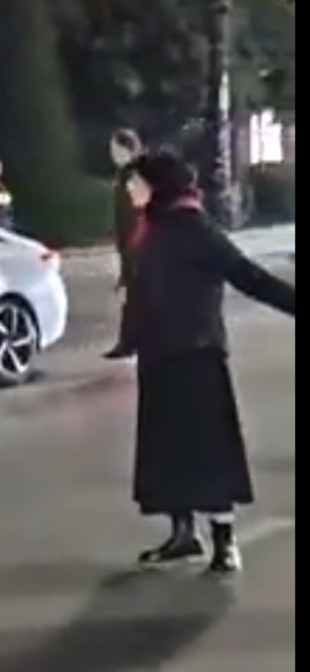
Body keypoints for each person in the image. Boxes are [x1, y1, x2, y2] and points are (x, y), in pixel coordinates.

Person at [121, 151, 295, 574]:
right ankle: (183, 534)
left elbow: (248, 276)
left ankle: (224, 539)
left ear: (157, 184)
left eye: (136, 181)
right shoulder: (152, 228)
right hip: (159, 355)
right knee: (166, 451)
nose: (129, 190)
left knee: (208, 450)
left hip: (197, 354)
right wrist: (131, 338)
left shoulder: (195, 228)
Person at [105, 128, 145, 359]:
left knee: (139, 297)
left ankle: (129, 342)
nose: (113, 154)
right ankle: (130, 342)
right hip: (129, 243)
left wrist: (135, 245)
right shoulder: (124, 175)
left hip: (138, 244)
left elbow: (139, 211)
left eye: (116, 149)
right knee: (137, 296)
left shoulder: (135, 176)